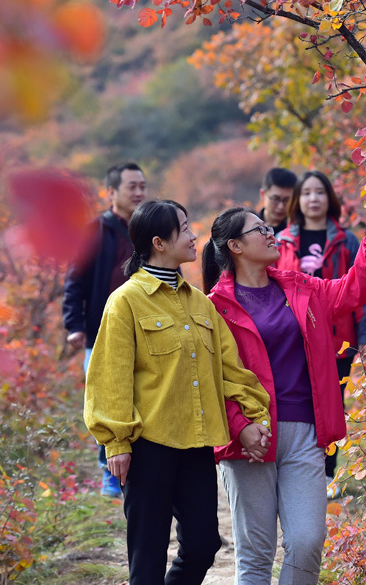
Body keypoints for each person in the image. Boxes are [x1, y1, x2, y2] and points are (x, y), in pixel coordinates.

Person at [202, 203, 366, 585]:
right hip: (251, 439)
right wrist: (239, 426)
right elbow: (210, 381)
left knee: (307, 541)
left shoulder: (301, 288)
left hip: (305, 433)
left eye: (268, 228)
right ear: (235, 246)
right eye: (259, 230)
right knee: (256, 554)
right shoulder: (214, 308)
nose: (270, 234)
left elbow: (355, 288)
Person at [84, 199, 272, 585]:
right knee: (148, 555)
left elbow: (229, 370)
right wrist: (116, 442)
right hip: (148, 445)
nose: (192, 236)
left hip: (196, 443)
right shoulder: (125, 301)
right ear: (159, 243)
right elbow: (109, 376)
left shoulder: (200, 303)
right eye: (184, 229)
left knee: (203, 544)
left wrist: (253, 416)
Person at [274, 170, 366, 485]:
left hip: (336, 341)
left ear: (329, 198)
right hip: (293, 341)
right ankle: (294, 469)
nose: (313, 199)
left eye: (319, 192)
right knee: (296, 404)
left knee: (331, 406)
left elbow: (360, 292)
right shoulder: (281, 241)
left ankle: (326, 474)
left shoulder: (346, 240)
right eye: (306, 193)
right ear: (297, 200)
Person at [63, 162, 146, 497]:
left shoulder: (148, 227)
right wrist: (74, 325)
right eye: (132, 186)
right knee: (104, 399)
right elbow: (74, 280)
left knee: (142, 396)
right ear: (111, 192)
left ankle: (139, 466)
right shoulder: (95, 231)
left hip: (145, 329)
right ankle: (109, 471)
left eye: (142, 186)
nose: (139, 192)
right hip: (101, 331)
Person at [257, 168, 297, 235]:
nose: (281, 206)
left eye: (287, 200)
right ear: (262, 194)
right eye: (276, 199)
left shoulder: (296, 230)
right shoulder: (250, 227)